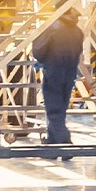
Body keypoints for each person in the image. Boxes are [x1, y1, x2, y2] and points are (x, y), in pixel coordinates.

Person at [33, 10, 86, 146]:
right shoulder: (78, 32)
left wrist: (45, 60)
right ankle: (52, 143)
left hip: (54, 72)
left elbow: (38, 51)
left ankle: (65, 141)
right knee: (60, 110)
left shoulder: (52, 29)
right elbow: (79, 52)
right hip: (70, 74)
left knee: (53, 110)